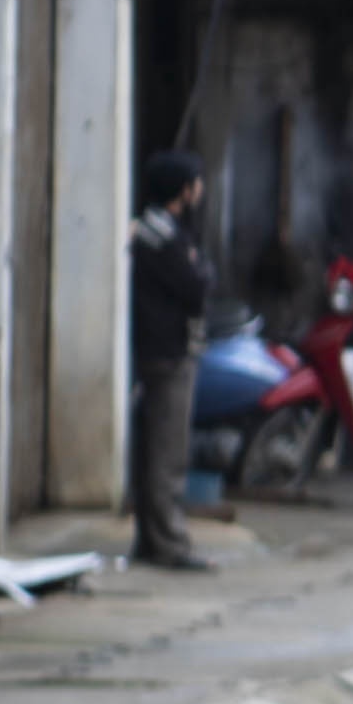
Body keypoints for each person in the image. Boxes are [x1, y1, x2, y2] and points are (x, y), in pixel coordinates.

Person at [127, 153, 214, 573]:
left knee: (153, 449)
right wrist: (199, 269)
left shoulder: (150, 231)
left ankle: (151, 537)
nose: (200, 192)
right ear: (182, 191)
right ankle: (169, 542)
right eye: (195, 184)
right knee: (167, 452)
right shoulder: (166, 235)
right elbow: (195, 287)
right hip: (169, 352)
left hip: (155, 349)